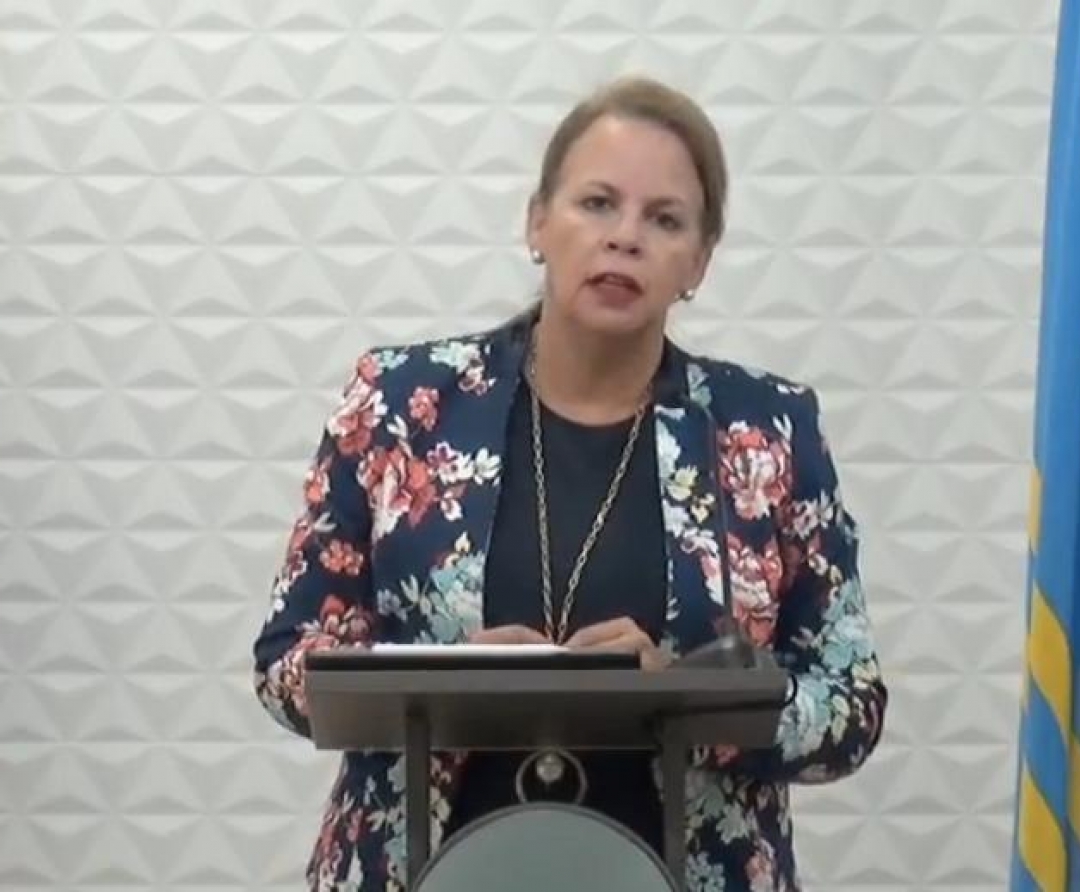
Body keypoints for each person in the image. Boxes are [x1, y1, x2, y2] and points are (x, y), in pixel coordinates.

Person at [252, 74, 887, 892]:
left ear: (698, 262)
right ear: (537, 222)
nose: (625, 238)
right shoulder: (399, 406)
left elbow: (851, 704)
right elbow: (289, 664)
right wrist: (441, 680)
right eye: (597, 203)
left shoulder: (769, 430)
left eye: (665, 219)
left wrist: (685, 700)